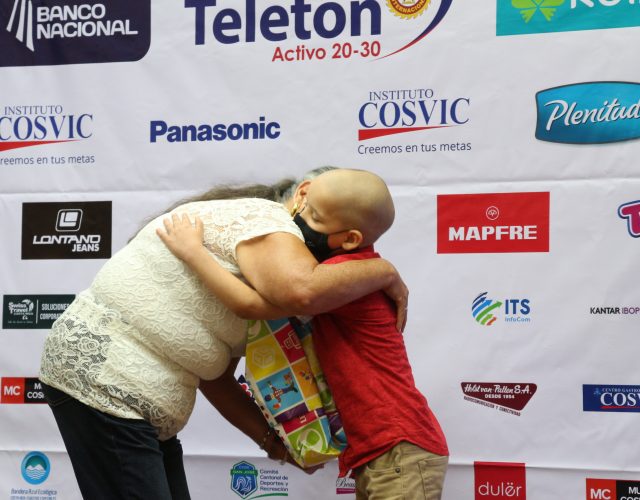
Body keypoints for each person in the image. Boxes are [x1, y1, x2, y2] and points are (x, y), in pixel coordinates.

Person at [38, 167, 408, 500]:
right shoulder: (271, 224)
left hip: (135, 402)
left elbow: (217, 377)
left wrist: (275, 444)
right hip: (105, 381)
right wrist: (384, 271)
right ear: (302, 193)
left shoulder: (264, 276)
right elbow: (303, 292)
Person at [158, 168, 449, 499]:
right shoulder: (358, 271)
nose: (297, 221)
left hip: (399, 447)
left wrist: (195, 253)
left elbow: (251, 303)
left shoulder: (343, 278)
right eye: (304, 206)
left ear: (350, 239)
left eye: (315, 217)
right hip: (385, 450)